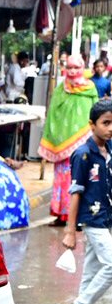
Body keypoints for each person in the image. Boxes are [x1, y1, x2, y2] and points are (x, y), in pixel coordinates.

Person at [62, 99, 112, 304]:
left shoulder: (109, 150)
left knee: (92, 270)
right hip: (92, 219)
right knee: (111, 266)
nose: (110, 128)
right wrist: (70, 230)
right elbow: (75, 192)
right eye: (106, 123)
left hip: (106, 218)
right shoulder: (82, 155)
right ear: (92, 125)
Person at [38, 54, 98, 223]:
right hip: (62, 146)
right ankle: (61, 215)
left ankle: (79, 217)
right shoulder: (60, 89)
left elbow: (97, 114)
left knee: (82, 180)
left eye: (76, 67)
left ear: (82, 68)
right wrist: (53, 137)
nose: (72, 71)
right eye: (69, 67)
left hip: (84, 145)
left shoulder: (90, 89)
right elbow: (53, 115)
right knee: (62, 180)